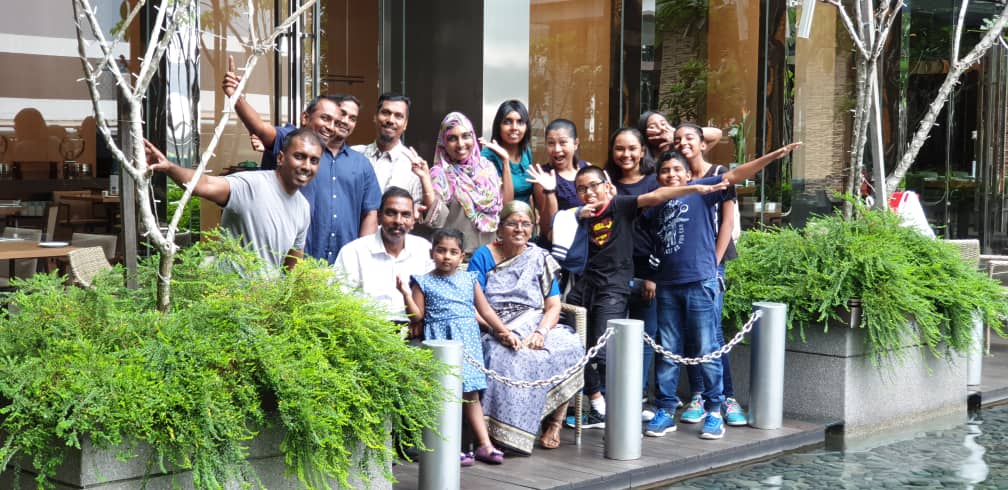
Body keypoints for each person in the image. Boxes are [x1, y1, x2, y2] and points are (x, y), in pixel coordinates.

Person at [642, 142, 801, 441]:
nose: (671, 174)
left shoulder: (702, 191)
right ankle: (665, 409)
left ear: (689, 175)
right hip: (667, 284)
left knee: (707, 348)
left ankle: (714, 411)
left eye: (677, 169)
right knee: (668, 349)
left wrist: (772, 156)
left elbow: (736, 175)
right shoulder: (655, 202)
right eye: (664, 171)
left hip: (700, 281)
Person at [564, 160, 730, 429]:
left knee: (606, 353)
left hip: (614, 288)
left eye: (594, 186)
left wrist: (694, 188)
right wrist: (574, 213)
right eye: (582, 189)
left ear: (607, 186)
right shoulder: (576, 215)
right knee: (572, 347)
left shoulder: (620, 205)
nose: (589, 193)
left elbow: (656, 196)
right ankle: (598, 405)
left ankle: (626, 410)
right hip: (582, 289)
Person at [222, 56, 381, 262]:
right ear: (306, 117)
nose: (341, 122)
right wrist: (237, 97)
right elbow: (260, 128)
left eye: (352, 118)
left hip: (342, 267)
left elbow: (370, 213)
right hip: (292, 262)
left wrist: (362, 260)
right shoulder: (292, 142)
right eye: (335, 115)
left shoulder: (361, 164)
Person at [467, 201, 584, 454]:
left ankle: (555, 423)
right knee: (509, 358)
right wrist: (499, 331)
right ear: (500, 228)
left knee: (570, 346)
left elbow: (553, 305)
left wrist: (541, 332)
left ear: (533, 228)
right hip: (495, 326)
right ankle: (502, 432)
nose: (519, 229)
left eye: (525, 224)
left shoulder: (540, 257)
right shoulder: (483, 256)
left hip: (535, 323)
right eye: (512, 223)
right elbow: (472, 304)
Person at [400, 228, 515, 466]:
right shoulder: (423, 282)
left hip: (467, 343)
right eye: (441, 251)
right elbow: (417, 316)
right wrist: (405, 295)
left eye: (453, 252)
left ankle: (485, 444)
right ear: (432, 253)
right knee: (445, 395)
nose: (446, 256)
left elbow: (485, 310)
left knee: (471, 395)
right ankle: (449, 448)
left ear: (462, 256)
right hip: (441, 344)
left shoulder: (469, 279)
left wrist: (502, 330)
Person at [144, 127, 322, 271]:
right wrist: (169, 167)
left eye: (314, 161)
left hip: (267, 301)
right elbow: (204, 184)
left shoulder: (303, 207)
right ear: (281, 158)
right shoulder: (251, 185)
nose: (307, 166)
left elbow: (293, 266)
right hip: (229, 299)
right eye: (299, 157)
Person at [674, 122, 746, 426]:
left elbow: (726, 223)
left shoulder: (718, 172)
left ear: (703, 143)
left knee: (712, 331)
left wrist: (713, 265)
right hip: (683, 263)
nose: (682, 143)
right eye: (677, 140)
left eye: (689, 138)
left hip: (711, 262)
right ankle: (698, 395)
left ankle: (726, 397)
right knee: (691, 328)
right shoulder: (676, 175)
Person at [603, 128, 660, 422]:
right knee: (610, 335)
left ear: (642, 152)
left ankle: (637, 396)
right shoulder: (606, 182)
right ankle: (608, 399)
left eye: (631, 149)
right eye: (619, 148)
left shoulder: (654, 182)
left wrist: (652, 275)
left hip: (645, 267)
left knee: (645, 336)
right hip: (612, 270)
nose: (625, 154)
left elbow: (662, 230)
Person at [334, 187, 433, 322]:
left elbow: (436, 296)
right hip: (368, 329)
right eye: (391, 213)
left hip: (413, 328)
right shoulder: (353, 252)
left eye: (406, 215)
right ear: (379, 216)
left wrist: (421, 324)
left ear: (413, 221)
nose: (398, 221)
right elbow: (339, 301)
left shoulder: (424, 249)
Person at [420, 112, 503, 255]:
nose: (460, 144)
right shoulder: (440, 174)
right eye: (452, 138)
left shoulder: (487, 168)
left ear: (473, 137)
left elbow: (501, 210)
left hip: (490, 257)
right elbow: (437, 220)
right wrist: (425, 180)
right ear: (443, 143)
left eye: (465, 136)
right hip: (458, 260)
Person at [351, 93, 434, 215]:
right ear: (375, 117)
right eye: (385, 113)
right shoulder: (354, 155)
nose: (390, 120)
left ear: (405, 124)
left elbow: (424, 212)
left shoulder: (413, 166)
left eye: (398, 116)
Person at [531, 119, 590, 243]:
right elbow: (547, 228)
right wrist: (550, 191)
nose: (557, 149)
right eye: (551, 143)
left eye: (563, 142)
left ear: (575, 143)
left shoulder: (587, 168)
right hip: (559, 246)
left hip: (588, 243)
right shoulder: (543, 176)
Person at [481, 100, 534, 204]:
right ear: (498, 126)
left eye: (520, 122)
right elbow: (505, 204)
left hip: (525, 213)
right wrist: (505, 161)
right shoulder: (486, 158)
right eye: (507, 122)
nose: (514, 128)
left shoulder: (525, 151)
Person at [637, 111, 722, 165]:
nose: (662, 128)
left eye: (663, 124)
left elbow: (717, 133)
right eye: (652, 126)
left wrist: (676, 134)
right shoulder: (640, 157)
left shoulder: (683, 150)